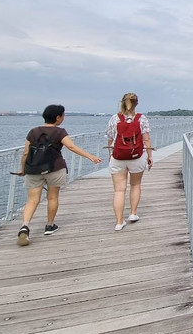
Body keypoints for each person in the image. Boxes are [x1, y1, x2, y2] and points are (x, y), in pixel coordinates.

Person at [14, 104, 102, 246]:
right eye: (63, 115)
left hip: (34, 169)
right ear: (58, 117)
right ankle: (49, 225)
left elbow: (25, 152)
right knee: (52, 197)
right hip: (55, 168)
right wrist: (90, 156)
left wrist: (23, 169)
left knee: (32, 200)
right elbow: (71, 147)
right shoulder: (60, 132)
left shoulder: (33, 132)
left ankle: (25, 226)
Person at [106, 93, 153, 231]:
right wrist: (150, 156)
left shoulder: (114, 118)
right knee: (136, 184)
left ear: (122, 102)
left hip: (118, 156)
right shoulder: (141, 119)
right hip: (137, 156)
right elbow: (147, 139)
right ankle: (133, 213)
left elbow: (110, 139)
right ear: (136, 104)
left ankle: (119, 222)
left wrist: (111, 155)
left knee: (119, 190)